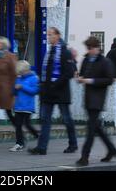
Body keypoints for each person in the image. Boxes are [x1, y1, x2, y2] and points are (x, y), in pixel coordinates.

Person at [28, 27, 78, 155]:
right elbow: (46, 71)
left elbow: (69, 73)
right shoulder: (50, 52)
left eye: (51, 35)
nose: (48, 37)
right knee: (45, 120)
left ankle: (73, 144)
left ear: (57, 36)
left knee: (66, 119)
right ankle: (42, 147)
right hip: (48, 92)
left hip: (61, 92)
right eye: (48, 35)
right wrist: (44, 85)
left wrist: (55, 84)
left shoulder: (65, 52)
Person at [76, 36, 116, 167]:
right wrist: (80, 78)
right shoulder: (86, 60)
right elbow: (82, 74)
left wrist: (91, 81)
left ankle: (84, 157)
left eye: (91, 48)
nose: (89, 51)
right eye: (88, 48)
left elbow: (109, 80)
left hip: (98, 99)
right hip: (88, 98)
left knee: (91, 129)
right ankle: (112, 150)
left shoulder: (105, 62)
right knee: (96, 127)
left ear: (97, 48)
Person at [9, 60, 39, 152]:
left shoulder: (34, 78)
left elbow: (35, 91)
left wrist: (22, 87)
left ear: (26, 70)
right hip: (18, 106)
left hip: (27, 106)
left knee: (27, 124)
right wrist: (14, 87)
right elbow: (14, 92)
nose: (20, 74)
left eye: (21, 72)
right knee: (18, 125)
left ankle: (38, 135)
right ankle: (19, 143)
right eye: (19, 73)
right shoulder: (19, 78)